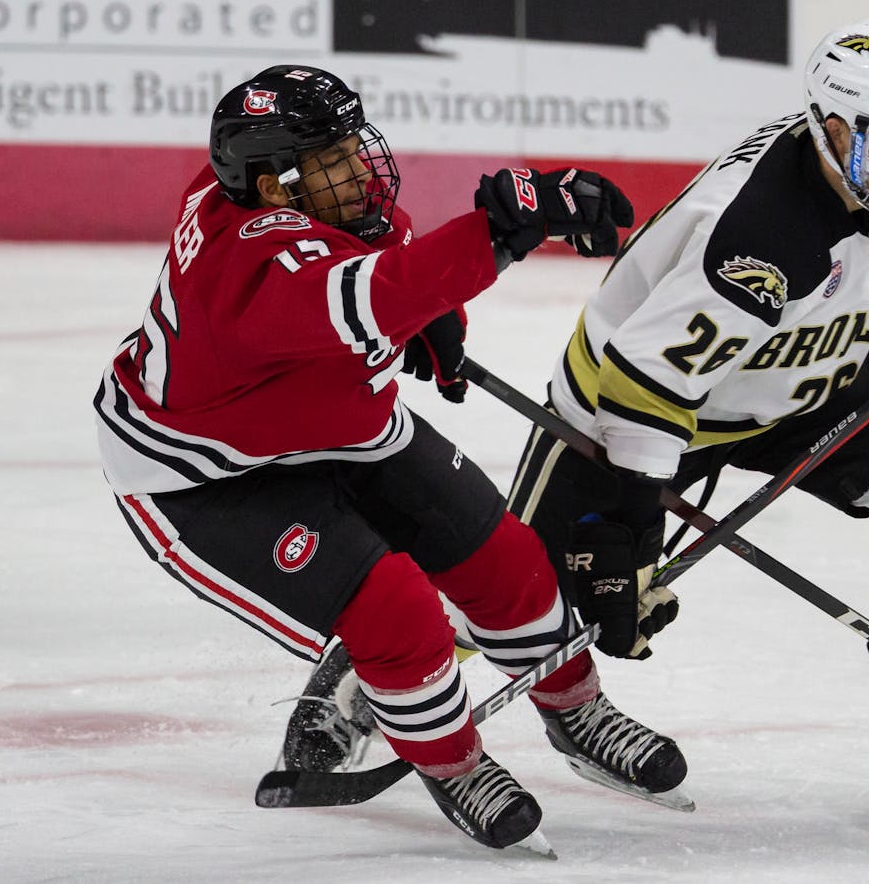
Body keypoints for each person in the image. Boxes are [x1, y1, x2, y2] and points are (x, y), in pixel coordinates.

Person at [92, 64, 688, 855]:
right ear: (274, 189)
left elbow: (377, 259)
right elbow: (369, 291)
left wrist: (436, 314)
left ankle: (575, 710)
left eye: (351, 147)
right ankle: (455, 763)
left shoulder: (266, 192)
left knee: (507, 558)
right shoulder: (252, 269)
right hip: (207, 477)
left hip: (333, 423)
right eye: (334, 161)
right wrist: (497, 235)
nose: (361, 170)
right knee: (395, 611)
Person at [504, 16, 869, 819]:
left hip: (807, 376)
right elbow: (647, 380)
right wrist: (627, 525)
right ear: (836, 131)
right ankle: (367, 679)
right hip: (637, 404)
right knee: (504, 588)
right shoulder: (760, 234)